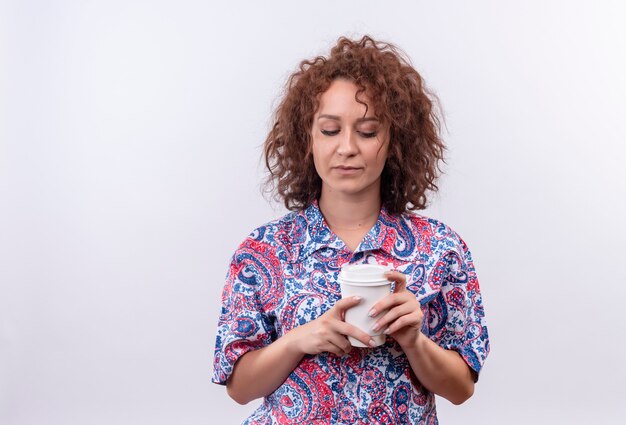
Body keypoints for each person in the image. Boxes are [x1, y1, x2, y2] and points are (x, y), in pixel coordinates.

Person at [212, 35, 489, 424]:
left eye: (368, 131)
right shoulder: (263, 250)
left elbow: (461, 389)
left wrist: (414, 341)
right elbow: (239, 389)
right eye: (329, 130)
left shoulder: (441, 247)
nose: (347, 147)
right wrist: (299, 340)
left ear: (394, 142)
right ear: (306, 139)